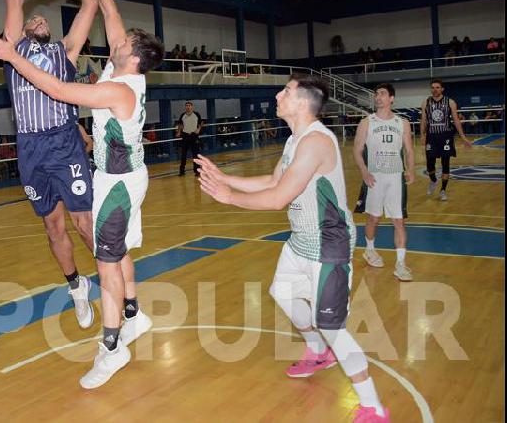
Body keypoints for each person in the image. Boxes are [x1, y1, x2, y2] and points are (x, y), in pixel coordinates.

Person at [0, 0, 165, 389]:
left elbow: (60, 88)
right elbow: (108, 10)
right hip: (109, 173)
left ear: (133, 58)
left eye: (122, 44)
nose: (115, 41)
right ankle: (133, 315)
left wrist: (12, 57)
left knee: (104, 258)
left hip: (114, 178)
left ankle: (112, 347)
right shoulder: (122, 69)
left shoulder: (117, 88)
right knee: (110, 251)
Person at [194, 74, 391, 422]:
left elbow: (278, 198)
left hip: (329, 245)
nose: (278, 94)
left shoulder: (316, 143)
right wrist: (225, 179)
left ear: (303, 102)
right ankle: (318, 353)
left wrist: (229, 198)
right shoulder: (294, 140)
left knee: (332, 326)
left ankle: (373, 406)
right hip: (301, 240)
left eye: (285, 90)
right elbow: (273, 181)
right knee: (282, 293)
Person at [0, 0, 100, 328]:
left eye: (44, 19)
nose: (39, 19)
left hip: (62, 141)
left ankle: (113, 281)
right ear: (24, 30)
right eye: (33, 20)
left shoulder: (66, 53)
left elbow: (89, 7)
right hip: (30, 148)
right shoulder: (13, 53)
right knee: (53, 226)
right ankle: (77, 287)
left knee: (83, 223)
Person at [352, 83, 416, 282]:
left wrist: (411, 169)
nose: (378, 97)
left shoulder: (402, 122)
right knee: (373, 218)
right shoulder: (366, 122)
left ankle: (400, 264)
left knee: (399, 220)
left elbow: (409, 150)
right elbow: (356, 150)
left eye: (382, 94)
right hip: (375, 177)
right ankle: (369, 250)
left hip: (396, 177)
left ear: (391, 98)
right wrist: (364, 171)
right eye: (376, 94)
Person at [420, 79, 472, 201]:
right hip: (431, 136)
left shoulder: (450, 102)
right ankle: (433, 180)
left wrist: (463, 136)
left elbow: (456, 120)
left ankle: (443, 190)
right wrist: (422, 134)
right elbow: (424, 120)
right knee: (430, 162)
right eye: (432, 87)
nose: (435, 89)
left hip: (445, 136)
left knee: (445, 164)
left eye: (437, 87)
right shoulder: (425, 102)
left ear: (442, 89)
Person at [176, 101, 203, 177]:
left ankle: (197, 171)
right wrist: (178, 132)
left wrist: (199, 129)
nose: (188, 107)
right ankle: (182, 171)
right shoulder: (183, 115)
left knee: (196, 155)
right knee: (183, 154)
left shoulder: (196, 114)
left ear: (192, 107)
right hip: (185, 136)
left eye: (189, 105)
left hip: (194, 136)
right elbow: (180, 124)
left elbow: (201, 123)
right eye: (186, 106)